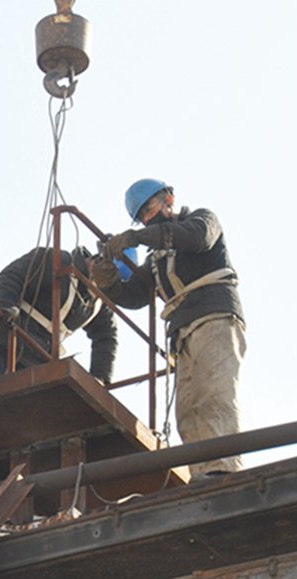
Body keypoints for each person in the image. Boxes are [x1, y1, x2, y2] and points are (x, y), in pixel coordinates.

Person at [91, 178, 246, 477]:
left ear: (169, 199)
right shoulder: (157, 260)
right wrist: (106, 275)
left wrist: (136, 238)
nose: (147, 219)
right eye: (141, 217)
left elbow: (197, 238)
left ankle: (223, 469)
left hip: (214, 315)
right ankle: (202, 474)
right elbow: (135, 296)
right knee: (188, 408)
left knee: (214, 393)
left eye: (149, 209)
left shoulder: (202, 220)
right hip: (182, 330)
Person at [0, 246, 117, 384]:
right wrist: (5, 307)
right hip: (2, 343)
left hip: (37, 361)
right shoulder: (57, 261)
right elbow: (11, 277)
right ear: (98, 260)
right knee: (8, 391)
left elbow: (107, 335)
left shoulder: (97, 302)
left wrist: (100, 377)